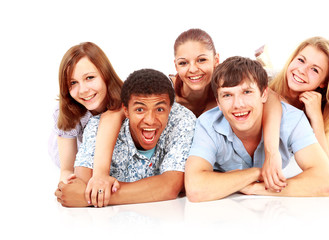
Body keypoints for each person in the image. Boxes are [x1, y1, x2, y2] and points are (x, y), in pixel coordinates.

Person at [83, 28, 284, 207]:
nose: (193, 69)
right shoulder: (163, 91)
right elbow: (115, 113)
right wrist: (100, 174)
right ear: (175, 66)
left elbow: (272, 97)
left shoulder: (229, 89)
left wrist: (272, 153)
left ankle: (264, 63)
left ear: (216, 60)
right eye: (183, 63)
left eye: (202, 60)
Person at [185, 56, 329, 202]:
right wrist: (257, 174)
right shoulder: (207, 124)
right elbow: (195, 189)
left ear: (264, 94)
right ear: (218, 101)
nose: (238, 104)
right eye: (227, 95)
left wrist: (256, 189)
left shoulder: (292, 120)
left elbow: (323, 182)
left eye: (247, 92)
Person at [55, 68, 197, 207]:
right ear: (125, 111)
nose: (150, 120)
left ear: (170, 109)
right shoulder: (97, 127)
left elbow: (170, 187)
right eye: (140, 109)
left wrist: (93, 197)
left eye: (159, 109)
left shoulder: (183, 121)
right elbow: (82, 183)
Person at [48, 42, 123, 183]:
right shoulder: (69, 111)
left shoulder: (128, 100)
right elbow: (67, 171)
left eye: (89, 78)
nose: (83, 90)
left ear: (105, 74)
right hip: (77, 151)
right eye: (73, 83)